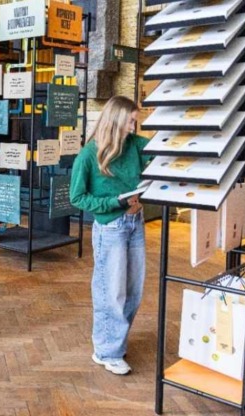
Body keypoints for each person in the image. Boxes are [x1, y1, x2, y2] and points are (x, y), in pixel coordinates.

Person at [69, 96, 149, 376]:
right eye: (130, 120)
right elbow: (78, 197)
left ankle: (115, 342)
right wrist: (114, 203)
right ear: (115, 120)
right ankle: (106, 350)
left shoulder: (135, 145)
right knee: (110, 291)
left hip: (135, 223)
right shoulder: (89, 155)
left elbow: (161, 153)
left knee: (133, 290)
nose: (134, 125)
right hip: (110, 228)